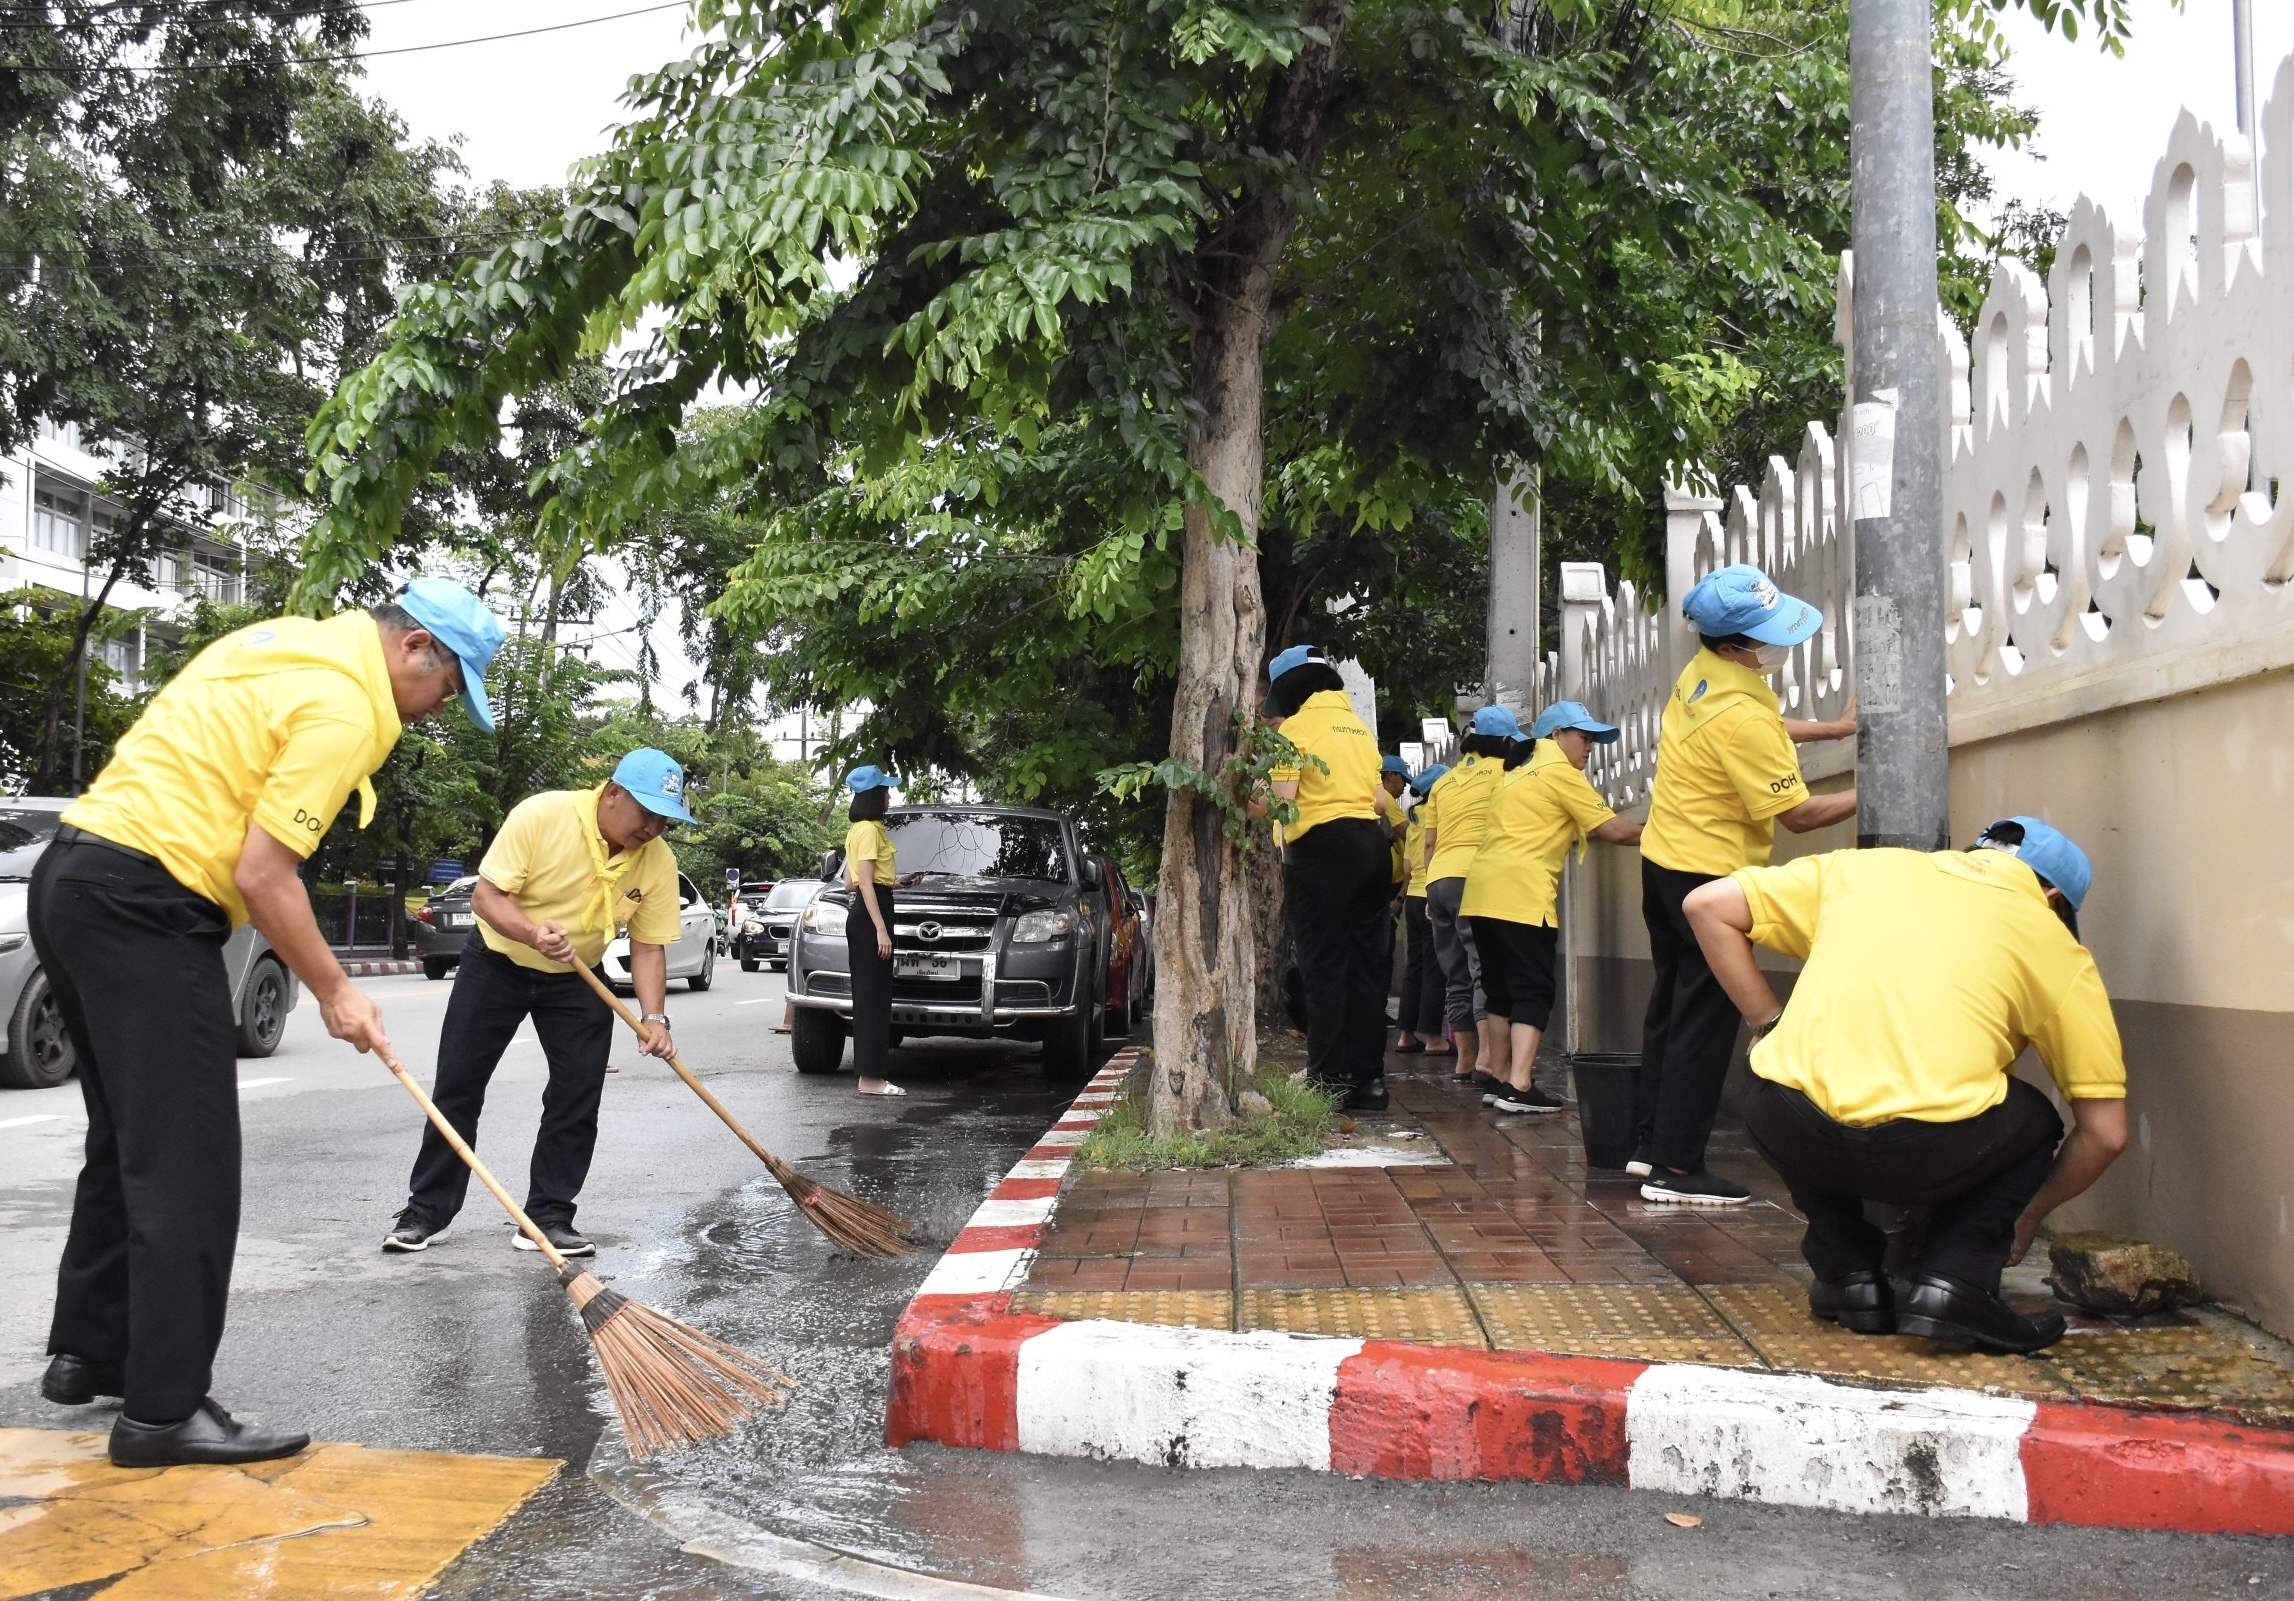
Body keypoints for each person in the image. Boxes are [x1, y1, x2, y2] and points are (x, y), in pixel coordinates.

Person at [35, 579, 505, 1466]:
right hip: (147, 903)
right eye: (447, 687)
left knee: (130, 1139)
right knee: (189, 1160)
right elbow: (263, 872)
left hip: (74, 880)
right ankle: (163, 1410)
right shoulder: (351, 704)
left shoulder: (283, 642)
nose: (439, 709)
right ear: (414, 646)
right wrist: (334, 989)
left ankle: (94, 1351)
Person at [1682, 818, 2128, 1353]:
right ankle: (1957, 1284)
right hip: (1928, 1153)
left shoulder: (1860, 869)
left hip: (1791, 1128)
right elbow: (2106, 1134)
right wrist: (2028, 1212)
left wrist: (1767, 1023)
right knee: (2033, 1121)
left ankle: (1849, 1275)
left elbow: (1705, 904)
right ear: (2053, 897)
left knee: (1779, 1065)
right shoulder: (2054, 943)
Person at [388, 748, 693, 1257]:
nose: (653, 828)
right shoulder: (543, 815)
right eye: (646, 813)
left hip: (578, 976)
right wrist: (532, 933)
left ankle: (548, 1216)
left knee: (577, 1095)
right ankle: (426, 1211)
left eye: (665, 819)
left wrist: (654, 1018)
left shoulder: (658, 860)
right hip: (497, 962)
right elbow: (486, 897)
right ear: (612, 793)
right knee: (458, 1085)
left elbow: (647, 945)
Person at [1636, 563, 1858, 1207]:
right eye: (1765, 636)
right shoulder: (1740, 714)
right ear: (1736, 644)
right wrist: (1871, 790)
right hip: (1708, 872)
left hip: (1663, 862)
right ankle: (1676, 1170)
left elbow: (1765, 727)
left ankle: (1648, 1143)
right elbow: (1798, 814)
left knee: (1671, 1008)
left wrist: (1833, 729)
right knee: (1705, 1021)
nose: (1775, 646)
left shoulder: (1703, 675)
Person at [1462, 702, 1643, 1116]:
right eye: (1584, 737)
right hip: (1521, 895)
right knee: (1533, 989)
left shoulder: (1515, 772)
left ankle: (1501, 1080)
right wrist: (1670, 833)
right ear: (1556, 735)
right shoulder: (1559, 772)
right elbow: (1614, 830)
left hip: (1482, 893)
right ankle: (1520, 1085)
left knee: (1500, 991)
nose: (1590, 747)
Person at [1263, 645, 1397, 1111]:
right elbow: (1379, 801)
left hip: (1322, 852)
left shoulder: (1295, 729)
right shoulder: (1358, 728)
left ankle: (1326, 1080)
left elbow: (1283, 800)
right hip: (1372, 848)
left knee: (1324, 967)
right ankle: (1369, 1082)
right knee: (1367, 969)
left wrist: (1246, 800)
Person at [1421, 706, 1521, 1091]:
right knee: (1484, 966)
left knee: (1455, 973)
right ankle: (1486, 1057)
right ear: (1505, 741)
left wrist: (1430, 891)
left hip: (1440, 879)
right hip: (1473, 876)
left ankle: (1463, 1059)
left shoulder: (1444, 782)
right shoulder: (1504, 772)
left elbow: (1430, 843)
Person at [842, 765, 917, 1097]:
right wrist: (881, 930)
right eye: (885, 792)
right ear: (874, 796)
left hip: (865, 912)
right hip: (872, 916)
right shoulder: (871, 831)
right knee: (873, 999)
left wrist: (897, 883)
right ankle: (871, 1079)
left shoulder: (857, 831)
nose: (889, 797)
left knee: (868, 996)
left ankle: (869, 1076)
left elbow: (850, 882)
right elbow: (865, 884)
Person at [1393, 764, 1450, 1058]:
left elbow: (1406, 867)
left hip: (1413, 899)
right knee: (1434, 968)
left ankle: (1406, 1035)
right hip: (1431, 896)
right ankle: (1434, 1038)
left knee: (1414, 966)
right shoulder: (1439, 814)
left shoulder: (1414, 819)